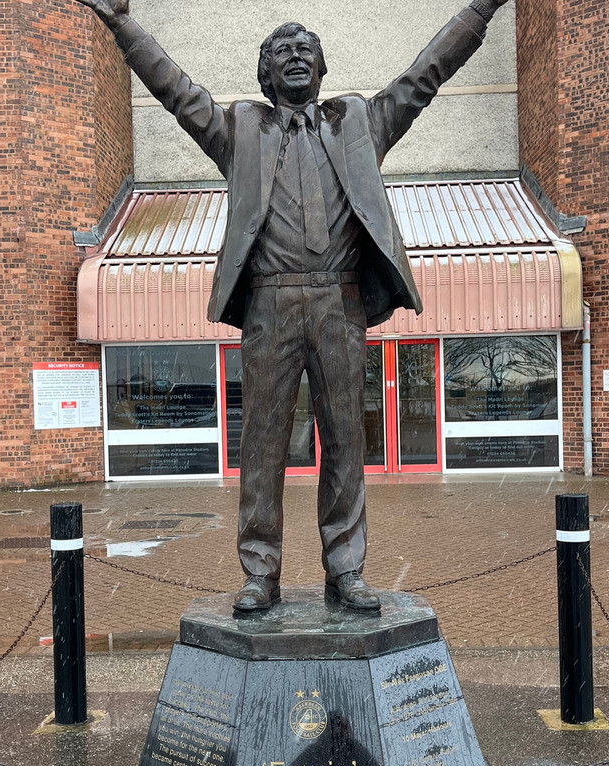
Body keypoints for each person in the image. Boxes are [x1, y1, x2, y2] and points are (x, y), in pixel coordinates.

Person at [75, 0, 511, 613]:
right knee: (262, 445)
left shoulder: (359, 123)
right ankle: (260, 571)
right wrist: (121, 23)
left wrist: (482, 8)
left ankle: (346, 569)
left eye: (306, 49)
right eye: (282, 52)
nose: (297, 57)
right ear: (266, 74)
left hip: (339, 301)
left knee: (345, 441)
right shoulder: (239, 131)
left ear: (322, 67)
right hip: (269, 305)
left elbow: (426, 75)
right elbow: (175, 91)